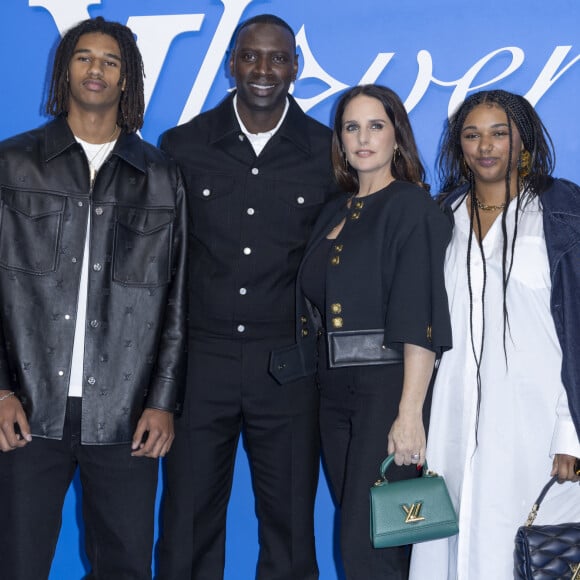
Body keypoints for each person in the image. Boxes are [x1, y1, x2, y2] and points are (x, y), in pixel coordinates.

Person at [0, 17, 187, 580]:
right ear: (65, 70)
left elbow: (176, 299)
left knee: (127, 565)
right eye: (84, 57)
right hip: (29, 407)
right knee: (18, 561)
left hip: (126, 414)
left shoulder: (159, 175)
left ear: (126, 77)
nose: (96, 70)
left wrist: (163, 401)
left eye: (110, 61)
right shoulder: (12, 164)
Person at [156, 14, 337, 580]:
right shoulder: (183, 146)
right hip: (200, 364)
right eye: (251, 56)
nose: (264, 69)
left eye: (278, 58)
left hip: (288, 366)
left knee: (288, 526)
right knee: (187, 519)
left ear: (295, 68)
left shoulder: (327, 152)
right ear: (232, 64)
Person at [272, 84, 452, 579]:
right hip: (332, 393)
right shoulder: (336, 209)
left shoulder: (412, 207)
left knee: (371, 547)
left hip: (387, 390)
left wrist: (409, 414)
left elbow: (421, 317)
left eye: (376, 125)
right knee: (371, 536)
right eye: (352, 127)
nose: (363, 138)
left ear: (398, 136)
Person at [409, 90, 580, 580]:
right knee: (450, 546)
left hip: (537, 426)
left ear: (522, 140)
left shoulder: (561, 210)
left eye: (499, 133)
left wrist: (570, 432)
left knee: (525, 551)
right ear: (458, 146)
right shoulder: (444, 215)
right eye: (472, 134)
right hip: (451, 421)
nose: (486, 146)